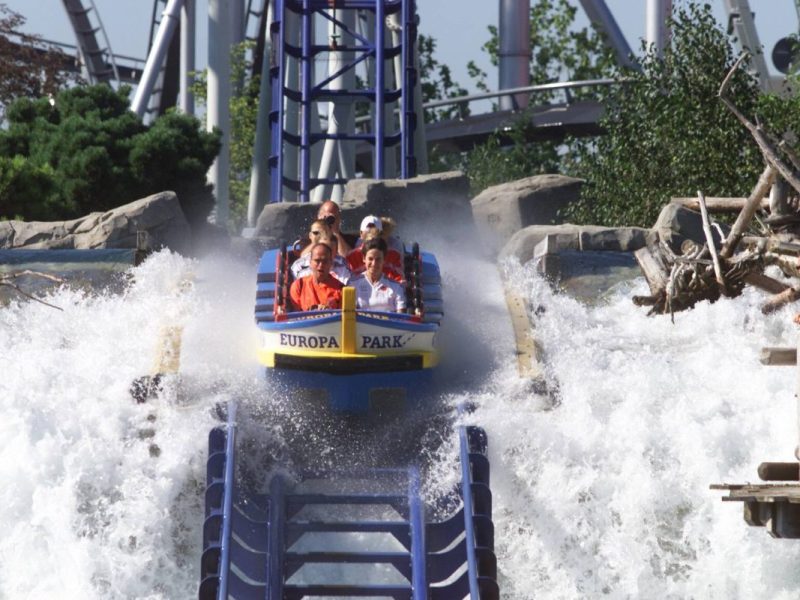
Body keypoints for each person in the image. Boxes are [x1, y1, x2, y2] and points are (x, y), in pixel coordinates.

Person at [350, 237, 406, 313]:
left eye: (378, 259)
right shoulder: (352, 284)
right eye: (370, 259)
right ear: (364, 259)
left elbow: (401, 319)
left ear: (384, 260)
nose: (374, 264)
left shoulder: (396, 287)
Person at [289, 242, 344, 311]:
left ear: (331, 263)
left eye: (325, 261)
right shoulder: (299, 286)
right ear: (310, 262)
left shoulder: (341, 290)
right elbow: (295, 317)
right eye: (317, 261)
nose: (321, 265)